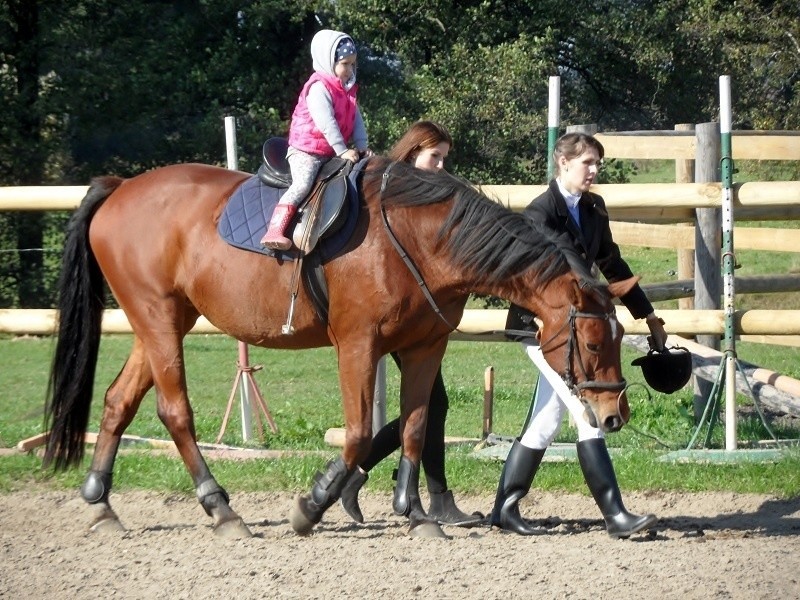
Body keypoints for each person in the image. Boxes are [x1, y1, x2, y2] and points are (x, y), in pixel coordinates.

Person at [490, 131, 669, 538]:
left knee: (547, 419)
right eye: (587, 162)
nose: (594, 170)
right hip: (541, 329)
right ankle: (616, 515)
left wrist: (649, 316)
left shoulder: (594, 208)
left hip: (577, 327)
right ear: (563, 163)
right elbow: (561, 267)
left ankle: (505, 507)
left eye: (597, 163)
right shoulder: (539, 213)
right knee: (586, 414)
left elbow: (612, 263)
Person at [339, 120, 482, 527]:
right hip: (399, 315)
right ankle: (434, 498)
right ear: (412, 152)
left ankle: (361, 473)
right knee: (430, 403)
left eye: (444, 159)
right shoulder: (393, 195)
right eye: (434, 157)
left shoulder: (427, 196)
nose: (440, 166)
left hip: (420, 315)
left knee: (431, 403)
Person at [261, 29, 372, 251]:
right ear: (328, 62)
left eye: (353, 64)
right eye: (344, 64)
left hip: (328, 152)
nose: (349, 70)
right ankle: (275, 229)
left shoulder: (347, 91)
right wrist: (342, 150)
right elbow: (326, 123)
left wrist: (362, 146)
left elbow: (356, 120)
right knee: (302, 184)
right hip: (306, 151)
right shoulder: (319, 88)